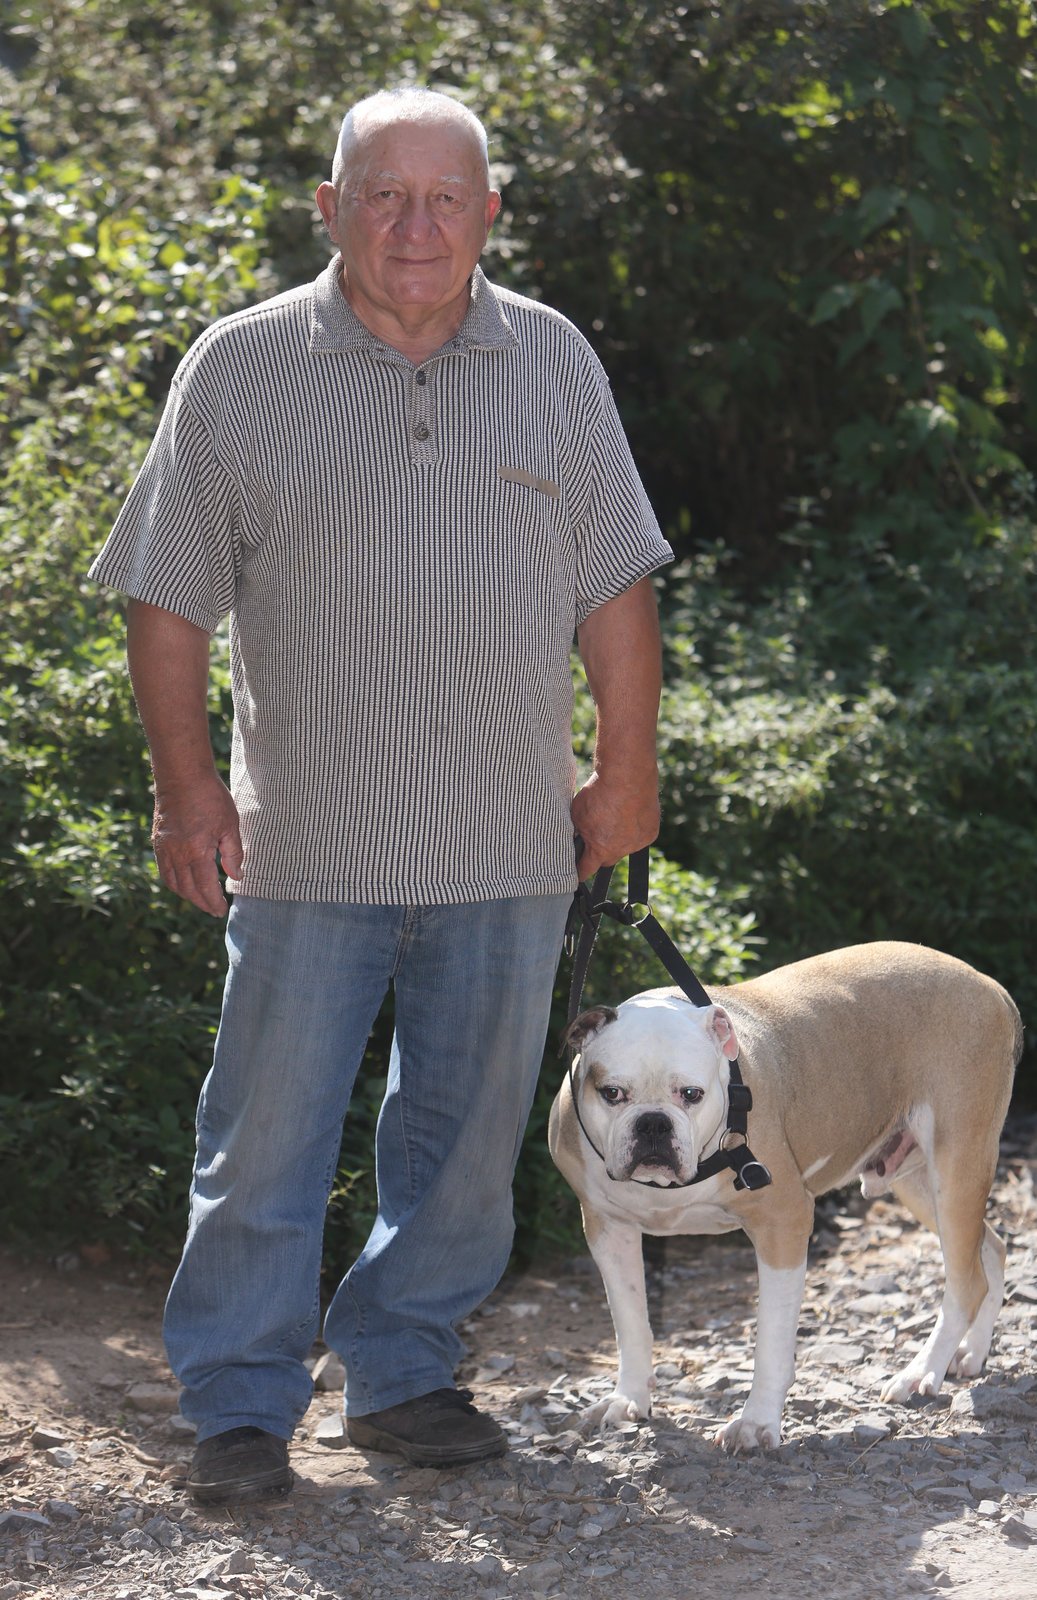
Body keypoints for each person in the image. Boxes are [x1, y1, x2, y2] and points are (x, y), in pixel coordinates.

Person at [89, 86, 671, 1503]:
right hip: (305, 844)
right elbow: (167, 605)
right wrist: (182, 794)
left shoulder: (553, 358)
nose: (415, 225)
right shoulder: (236, 368)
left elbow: (613, 585)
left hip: (509, 838)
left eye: (444, 196)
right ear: (329, 208)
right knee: (264, 1139)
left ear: (489, 213)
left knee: (467, 1146)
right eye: (383, 194)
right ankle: (236, 1403)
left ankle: (405, 1372)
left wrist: (630, 767)